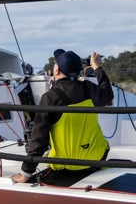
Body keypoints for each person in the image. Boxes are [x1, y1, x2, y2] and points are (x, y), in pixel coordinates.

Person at [12, 49, 114, 184]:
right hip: (97, 159)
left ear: (56, 70)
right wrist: (97, 68)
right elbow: (108, 94)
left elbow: (39, 140)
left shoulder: (50, 98)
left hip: (66, 165)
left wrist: (26, 173)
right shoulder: (89, 88)